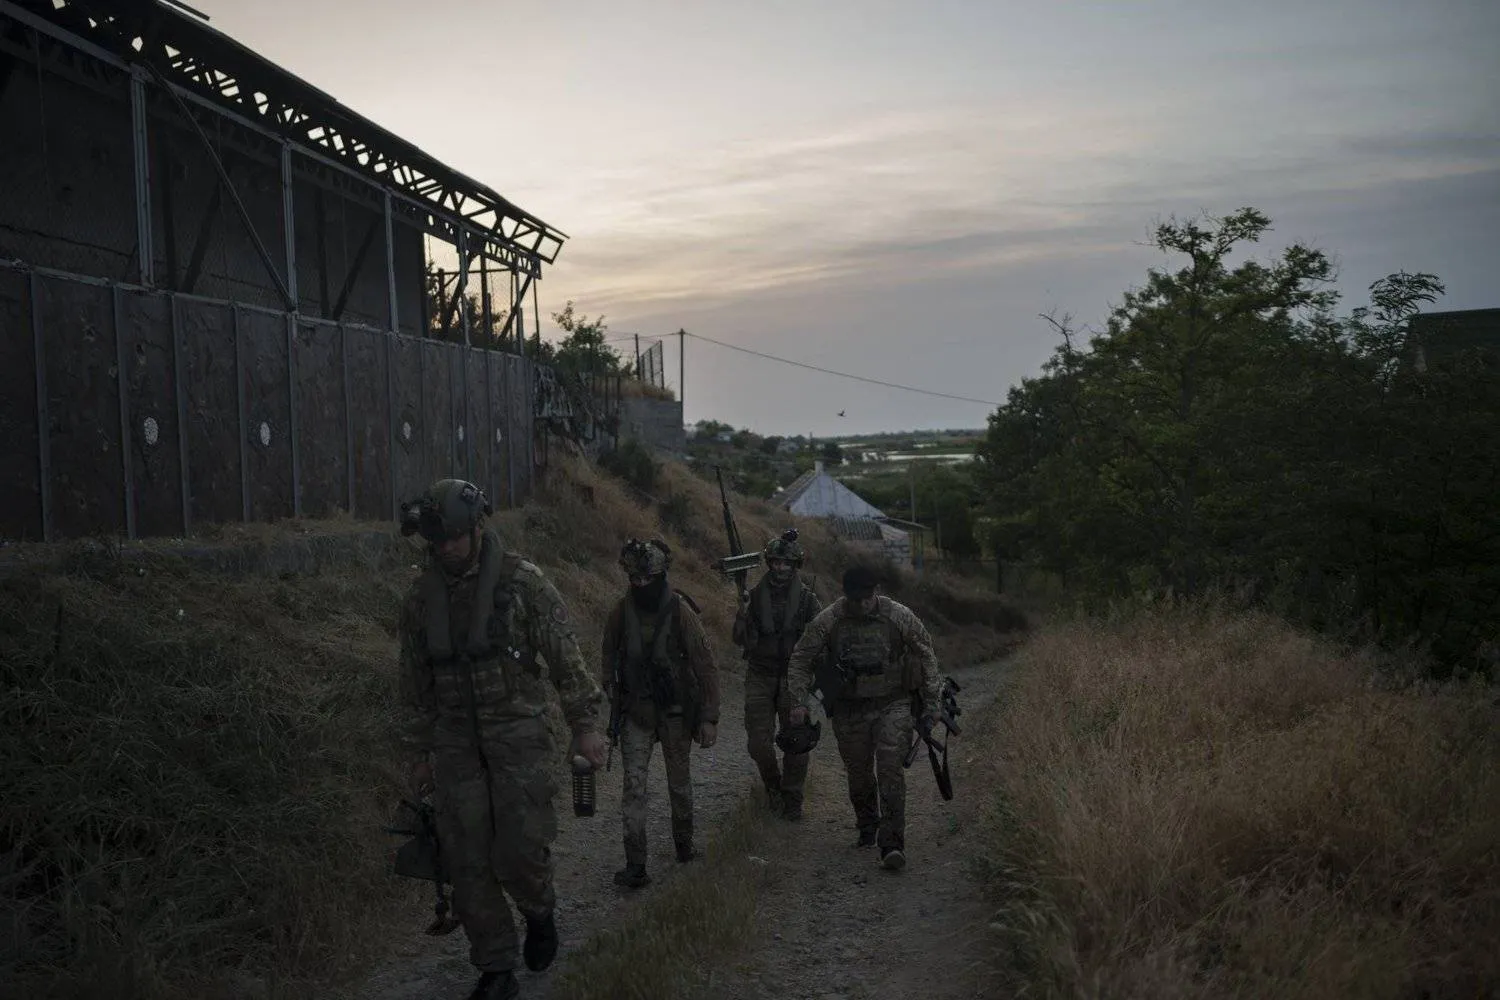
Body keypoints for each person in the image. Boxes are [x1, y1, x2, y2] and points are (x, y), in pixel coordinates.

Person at [396, 479, 607, 1000]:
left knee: (517, 847)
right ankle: (495, 966)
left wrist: (585, 726)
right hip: (454, 739)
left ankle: (539, 909)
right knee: (465, 856)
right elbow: (414, 682)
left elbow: (565, 659)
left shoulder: (523, 584)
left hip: (516, 732)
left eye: (451, 537)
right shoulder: (422, 599)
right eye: (435, 540)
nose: (443, 548)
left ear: (475, 528)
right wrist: (419, 754)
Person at [786, 564, 942, 871]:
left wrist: (932, 702)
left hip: (893, 703)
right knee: (858, 774)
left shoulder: (898, 616)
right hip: (849, 709)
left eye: (867, 598)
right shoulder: (829, 620)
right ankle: (867, 823)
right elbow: (801, 658)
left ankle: (892, 842)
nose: (861, 605)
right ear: (846, 596)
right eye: (855, 599)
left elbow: (926, 654)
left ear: (876, 593)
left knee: (889, 768)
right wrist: (798, 701)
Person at [601, 537, 721, 888]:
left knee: (679, 786)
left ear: (659, 576)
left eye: (645, 579)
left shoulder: (680, 612)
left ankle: (684, 846)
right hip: (636, 712)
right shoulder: (621, 611)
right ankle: (635, 863)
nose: (638, 585)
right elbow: (608, 655)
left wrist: (708, 718)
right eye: (633, 579)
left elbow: (706, 666)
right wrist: (610, 690)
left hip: (674, 713)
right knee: (634, 788)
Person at [731, 528, 823, 820]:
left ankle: (793, 800)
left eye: (786, 563)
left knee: (797, 739)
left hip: (793, 677)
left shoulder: (808, 601)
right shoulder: (754, 597)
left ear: (795, 566)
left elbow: (821, 638)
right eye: (776, 563)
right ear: (769, 563)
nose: (780, 568)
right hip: (760, 673)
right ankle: (774, 789)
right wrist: (742, 612)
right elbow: (739, 639)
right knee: (758, 743)